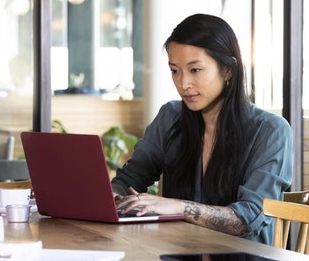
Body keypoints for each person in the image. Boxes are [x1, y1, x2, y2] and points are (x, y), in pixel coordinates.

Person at [112, 13, 293, 244]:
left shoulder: (271, 131)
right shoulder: (170, 118)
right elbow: (130, 179)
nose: (183, 83)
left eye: (195, 70)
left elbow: (246, 219)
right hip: (178, 259)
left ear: (228, 70)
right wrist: (113, 197)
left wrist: (177, 206)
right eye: (175, 71)